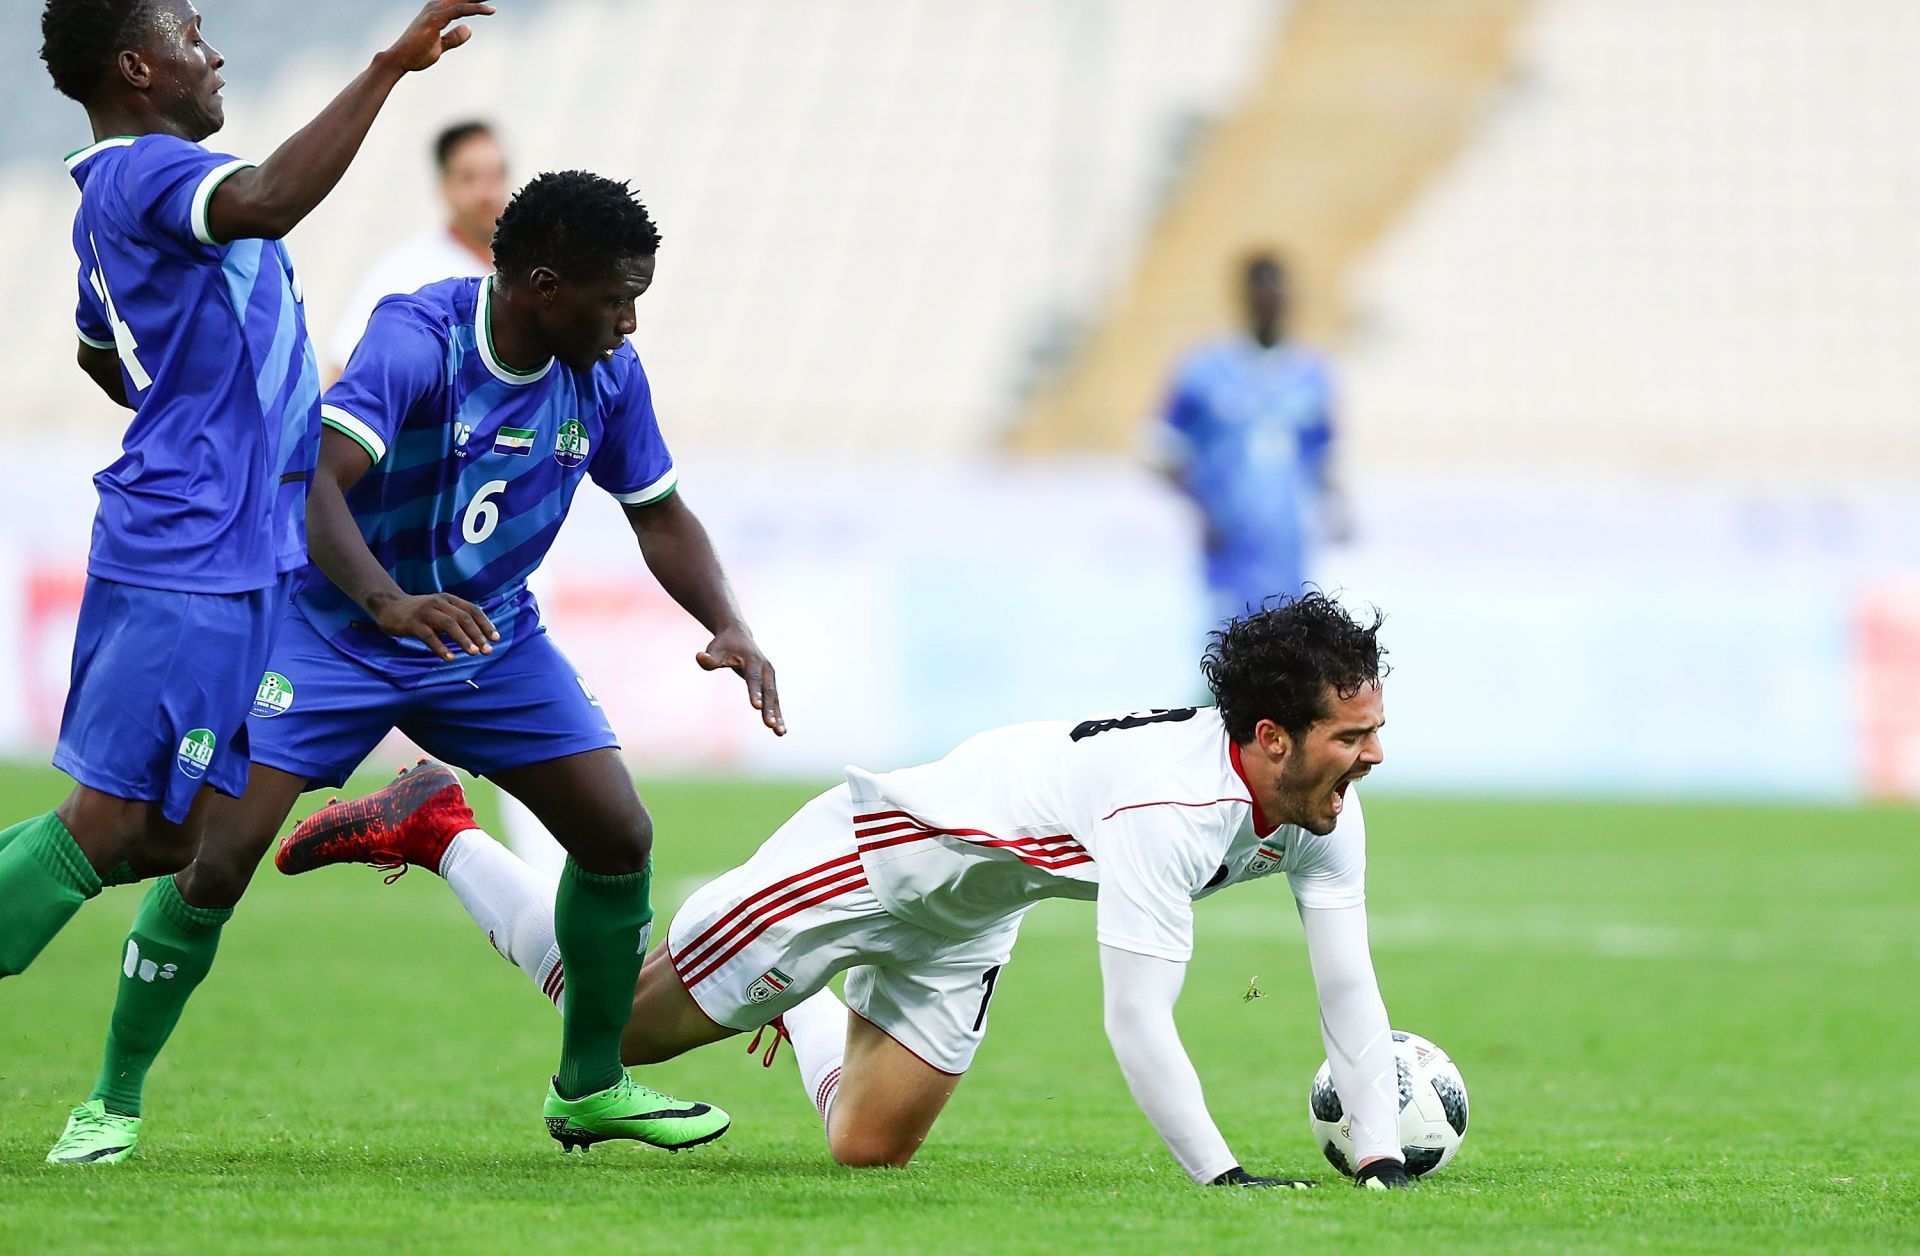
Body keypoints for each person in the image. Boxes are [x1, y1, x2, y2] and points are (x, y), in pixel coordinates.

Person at [46, 169, 783, 1165]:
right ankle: (111, 1099)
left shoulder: (606, 374)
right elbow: (315, 486)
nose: (631, 320)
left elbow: (657, 510)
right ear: (544, 286)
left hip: (488, 638)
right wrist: (388, 602)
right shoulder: (418, 338)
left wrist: (728, 621)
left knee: (618, 832)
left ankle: (593, 1083)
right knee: (213, 856)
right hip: (332, 632)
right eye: (617, 297)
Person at [281, 593, 1412, 1189]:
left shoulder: (1322, 809)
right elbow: (1136, 1016)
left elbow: (1348, 982)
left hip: (973, 905)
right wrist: (1220, 1175)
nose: (1370, 756)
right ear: (1271, 738)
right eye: (1352, 735)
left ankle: (799, 992)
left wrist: (1377, 1155)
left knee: (869, 1147)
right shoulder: (1172, 809)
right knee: (615, 1020)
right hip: (876, 856)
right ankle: (440, 828)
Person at [0, 1, 492, 985]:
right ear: (137, 67)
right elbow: (269, 199)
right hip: (191, 549)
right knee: (104, 824)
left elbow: (101, 348)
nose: (214, 52)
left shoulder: (113, 194)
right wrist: (389, 67)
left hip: (231, 542)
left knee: (165, 841)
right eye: (190, 35)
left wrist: (202, 407)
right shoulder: (152, 170)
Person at [1154, 253, 1345, 629]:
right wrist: (1203, 506)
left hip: (1289, 550)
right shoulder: (1204, 369)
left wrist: (1337, 506)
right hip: (1230, 550)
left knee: (1289, 658)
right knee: (1227, 656)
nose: (1272, 303)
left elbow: (1324, 458)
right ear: (1245, 297)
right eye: (1262, 293)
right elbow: (1160, 451)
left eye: (1279, 293)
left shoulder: (1312, 374)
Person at [324, 119, 508, 379]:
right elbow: (343, 372)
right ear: (444, 187)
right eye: (469, 178)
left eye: (496, 176)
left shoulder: (531, 268)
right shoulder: (406, 269)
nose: (487, 193)